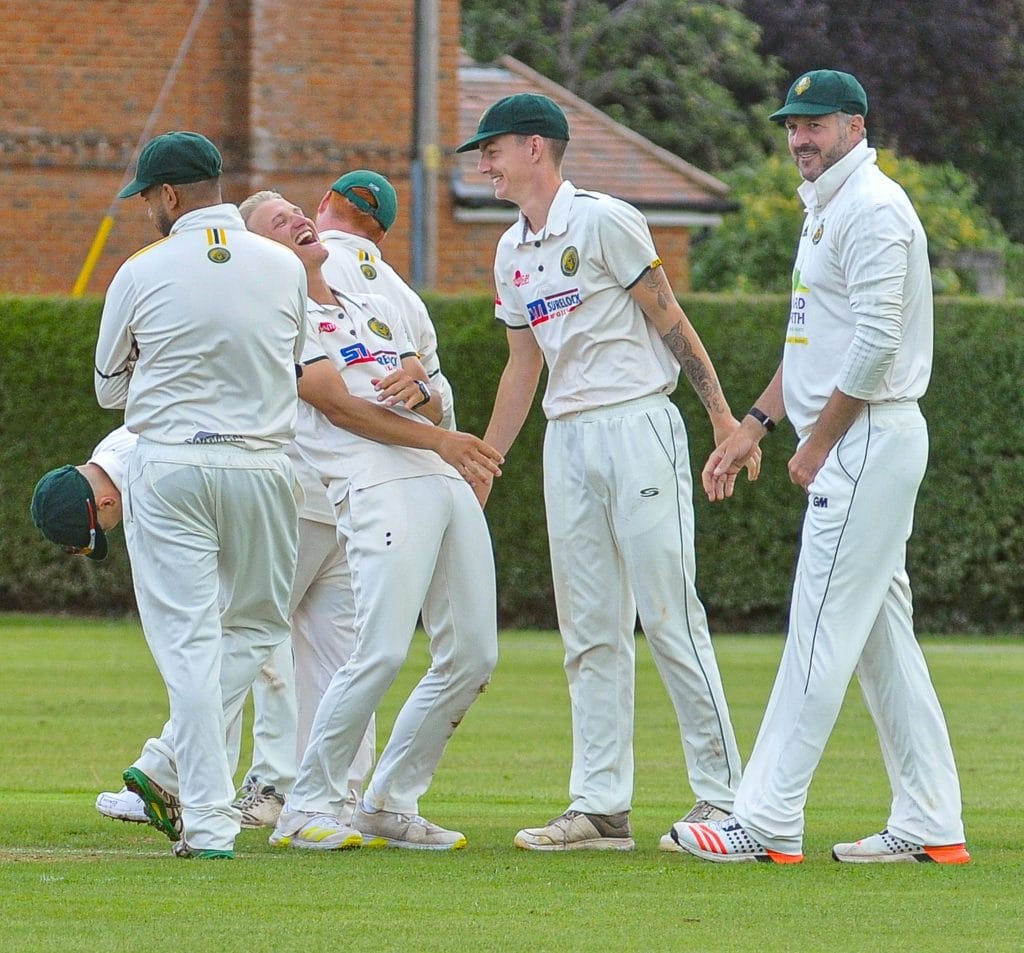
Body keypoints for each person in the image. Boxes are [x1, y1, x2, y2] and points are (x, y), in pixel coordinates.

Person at [672, 70, 969, 865]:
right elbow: (813, 345)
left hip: (867, 436)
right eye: (792, 125)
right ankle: (932, 820)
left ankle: (765, 820)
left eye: (816, 123)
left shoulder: (872, 209)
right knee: (880, 640)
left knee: (818, 633)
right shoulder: (827, 211)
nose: (800, 137)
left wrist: (817, 440)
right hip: (860, 437)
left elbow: (873, 346)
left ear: (855, 126)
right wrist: (757, 424)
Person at [456, 93, 754, 851]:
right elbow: (523, 364)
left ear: (535, 147)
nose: (483, 164)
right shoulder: (509, 250)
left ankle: (725, 799)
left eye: (492, 149)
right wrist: (486, 458)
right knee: (589, 629)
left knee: (668, 613)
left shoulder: (604, 220)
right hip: (569, 438)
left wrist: (722, 418)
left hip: (638, 424)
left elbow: (671, 321)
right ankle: (601, 808)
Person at [243, 191, 502, 851]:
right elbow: (337, 406)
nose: (298, 219)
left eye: (297, 211)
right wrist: (441, 440)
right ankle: (308, 805)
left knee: (474, 652)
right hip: (375, 484)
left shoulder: (367, 302)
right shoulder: (276, 311)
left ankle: (389, 800)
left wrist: (424, 385)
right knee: (381, 648)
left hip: (440, 479)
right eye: (277, 222)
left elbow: (427, 386)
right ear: (256, 252)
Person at [93, 131, 307, 859]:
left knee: (188, 644)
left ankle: (199, 808)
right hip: (263, 464)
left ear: (170, 196)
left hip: (171, 463)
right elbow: (289, 359)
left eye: (149, 197)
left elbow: (107, 387)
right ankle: (188, 791)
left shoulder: (141, 267)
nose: (148, 208)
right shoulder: (284, 266)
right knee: (252, 627)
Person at [30, 425, 297, 831]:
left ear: (104, 502)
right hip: (262, 475)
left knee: (249, 637)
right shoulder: (109, 451)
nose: (109, 531)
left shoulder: (139, 480)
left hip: (270, 484)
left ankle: (189, 775)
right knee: (245, 638)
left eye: (100, 529)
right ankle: (200, 785)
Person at [315, 170, 456, 429]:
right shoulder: (411, 300)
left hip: (329, 449)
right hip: (405, 452)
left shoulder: (303, 265)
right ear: (381, 237)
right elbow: (439, 400)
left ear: (324, 202)